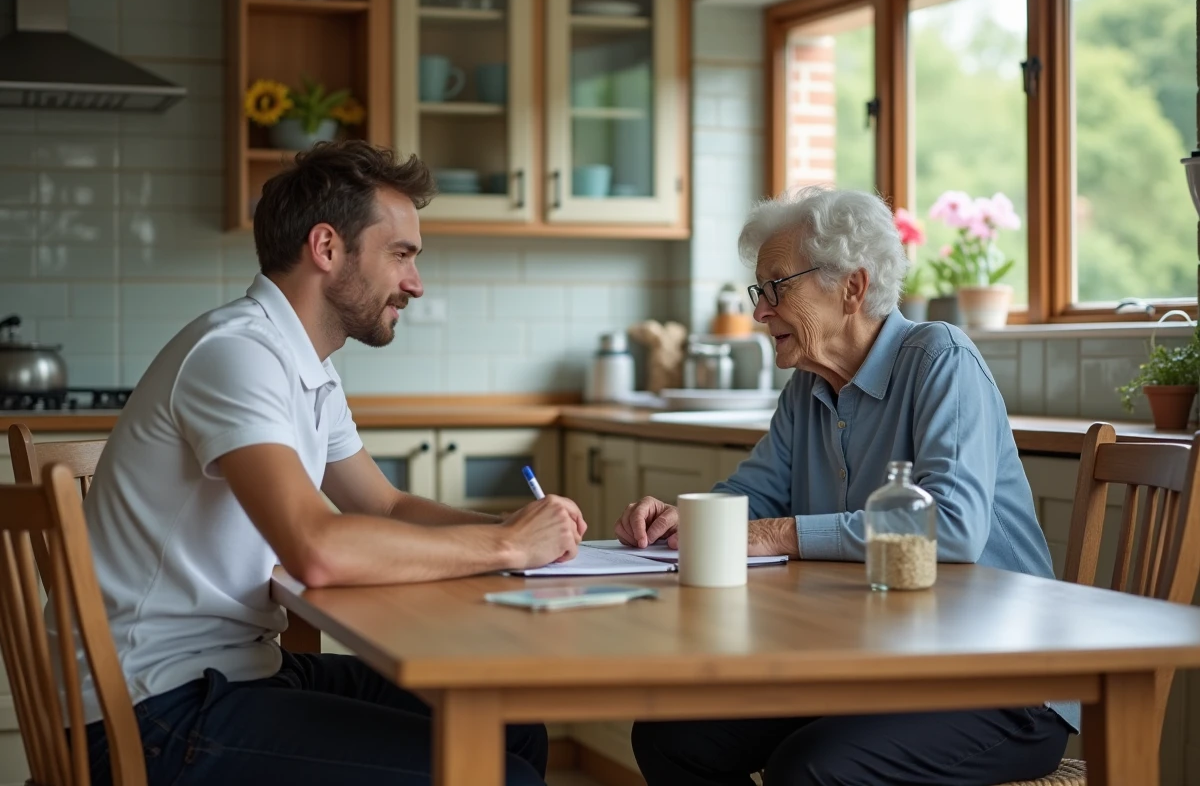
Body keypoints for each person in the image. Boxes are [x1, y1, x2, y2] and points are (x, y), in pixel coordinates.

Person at [64, 141, 584, 786]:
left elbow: (384, 504)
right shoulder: (238, 354)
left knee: (512, 726)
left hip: (236, 670)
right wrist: (506, 545)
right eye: (401, 255)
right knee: (500, 775)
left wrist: (512, 524)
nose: (416, 283)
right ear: (327, 248)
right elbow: (316, 549)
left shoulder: (304, 365)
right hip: (151, 706)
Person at [615, 187, 1073, 786]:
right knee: (673, 738)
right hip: (876, 667)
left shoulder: (940, 359)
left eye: (778, 287)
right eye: (760, 291)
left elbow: (953, 529)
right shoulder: (806, 390)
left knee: (810, 768)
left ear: (852, 288)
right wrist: (684, 518)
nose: (761, 311)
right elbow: (749, 498)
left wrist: (777, 534)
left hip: (998, 681)